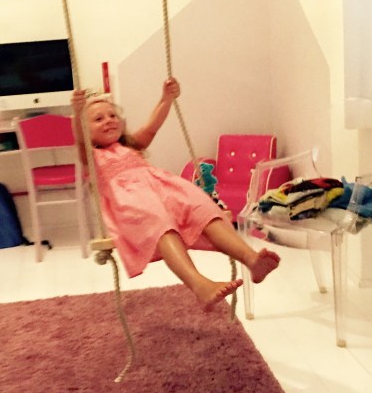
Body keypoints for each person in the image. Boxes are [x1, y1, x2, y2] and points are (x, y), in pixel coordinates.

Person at [71, 78, 280, 313]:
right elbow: (79, 140)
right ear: (86, 130)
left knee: (204, 211)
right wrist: (77, 113)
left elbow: (152, 127)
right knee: (161, 226)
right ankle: (199, 284)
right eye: (98, 119)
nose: (108, 120)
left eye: (112, 115)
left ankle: (251, 259)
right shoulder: (91, 157)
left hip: (166, 191)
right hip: (132, 203)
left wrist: (167, 98)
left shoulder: (131, 146)